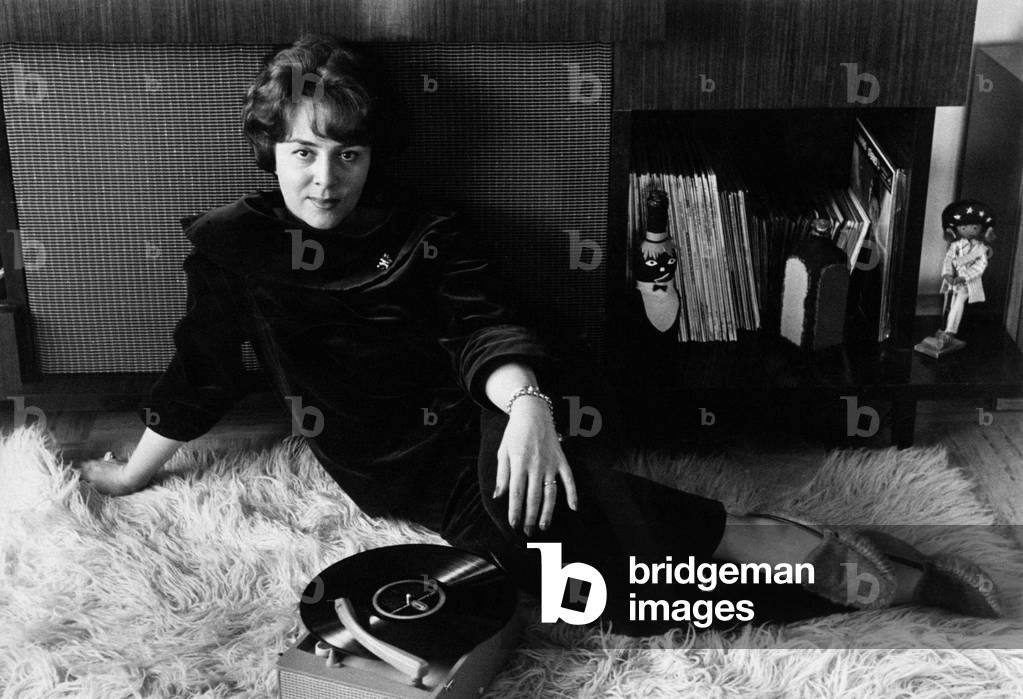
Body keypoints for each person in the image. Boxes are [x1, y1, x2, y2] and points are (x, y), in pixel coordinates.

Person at [79, 35, 1002, 630]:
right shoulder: (232, 248)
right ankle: (784, 544)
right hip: (398, 469)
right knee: (564, 581)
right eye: (303, 152)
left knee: (571, 562)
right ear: (270, 149)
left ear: (372, 154)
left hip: (491, 416)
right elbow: (200, 370)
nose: (326, 179)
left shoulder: (425, 228)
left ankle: (824, 568)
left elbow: (483, 323)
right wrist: (133, 470)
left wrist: (525, 409)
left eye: (347, 153)